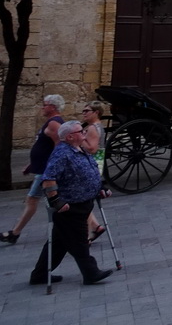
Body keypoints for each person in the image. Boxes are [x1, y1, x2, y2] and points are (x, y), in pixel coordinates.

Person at [29, 120, 114, 285]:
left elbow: (90, 170)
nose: (84, 133)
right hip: (69, 207)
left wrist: (100, 188)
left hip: (83, 203)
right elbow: (48, 179)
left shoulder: (79, 149)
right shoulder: (62, 153)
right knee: (80, 241)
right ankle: (91, 272)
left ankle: (39, 274)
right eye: (80, 131)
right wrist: (56, 200)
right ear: (69, 137)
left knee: (59, 242)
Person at [0, 94, 65, 245]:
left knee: (38, 200)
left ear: (52, 107)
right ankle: (15, 232)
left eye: (45, 105)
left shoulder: (54, 123)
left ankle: (15, 233)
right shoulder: (51, 122)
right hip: (42, 169)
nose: (42, 107)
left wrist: (51, 168)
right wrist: (32, 164)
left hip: (45, 172)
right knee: (46, 200)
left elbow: (59, 147)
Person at [79, 101, 107, 243]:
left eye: (87, 111)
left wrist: (80, 139)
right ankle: (95, 227)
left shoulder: (92, 128)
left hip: (91, 163)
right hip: (96, 163)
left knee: (81, 199)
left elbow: (92, 149)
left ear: (96, 112)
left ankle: (86, 235)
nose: (84, 113)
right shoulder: (96, 127)